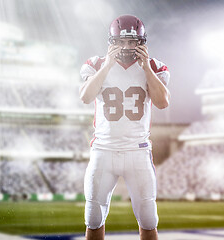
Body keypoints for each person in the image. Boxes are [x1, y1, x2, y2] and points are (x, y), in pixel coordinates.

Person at [79, 14, 170, 240]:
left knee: (149, 219)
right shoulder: (96, 64)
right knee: (93, 217)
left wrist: (147, 69)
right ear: (111, 41)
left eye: (132, 41)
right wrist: (108, 65)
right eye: (120, 41)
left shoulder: (155, 66)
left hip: (137, 151)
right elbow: (86, 97)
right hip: (103, 150)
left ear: (142, 42)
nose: (126, 46)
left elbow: (162, 102)